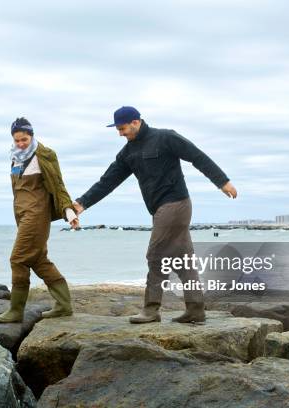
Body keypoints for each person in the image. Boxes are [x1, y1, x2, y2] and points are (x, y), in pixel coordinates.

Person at [73, 106, 237, 324]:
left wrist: (222, 182)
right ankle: (196, 309)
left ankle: (151, 310)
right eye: (117, 129)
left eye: (122, 128)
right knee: (183, 262)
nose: (120, 133)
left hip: (176, 204)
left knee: (156, 256)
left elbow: (197, 156)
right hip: (159, 209)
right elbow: (107, 182)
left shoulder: (165, 137)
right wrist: (82, 204)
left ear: (136, 122)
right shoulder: (127, 153)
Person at [0, 117, 79, 323]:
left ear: (31, 135)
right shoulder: (15, 158)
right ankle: (63, 305)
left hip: (36, 215)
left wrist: (69, 212)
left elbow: (58, 185)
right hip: (22, 215)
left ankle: (16, 311)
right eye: (17, 140)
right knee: (38, 260)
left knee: (18, 259)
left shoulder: (45, 155)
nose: (21, 144)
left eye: (24, 139)